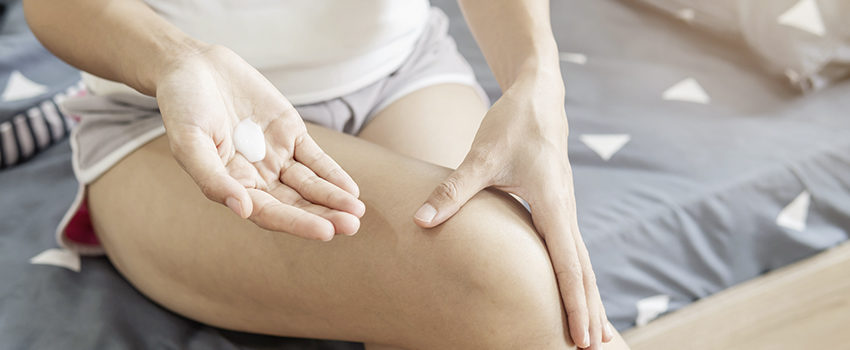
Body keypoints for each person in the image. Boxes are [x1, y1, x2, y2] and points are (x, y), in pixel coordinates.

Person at [25, 0, 631, 349]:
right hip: (168, 112)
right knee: (513, 283)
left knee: (538, 312)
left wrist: (537, 78)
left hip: (401, 72)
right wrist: (176, 59)